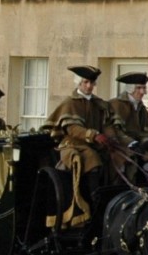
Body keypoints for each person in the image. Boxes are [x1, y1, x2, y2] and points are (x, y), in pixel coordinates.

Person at [45, 65, 116, 228]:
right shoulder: (70, 103)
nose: (90, 86)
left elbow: (107, 126)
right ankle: (91, 203)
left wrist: (111, 139)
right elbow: (72, 129)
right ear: (79, 83)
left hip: (95, 146)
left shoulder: (99, 104)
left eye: (92, 83)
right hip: (72, 145)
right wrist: (93, 135)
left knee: (115, 158)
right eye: (86, 82)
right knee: (92, 159)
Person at [110, 71, 148, 147]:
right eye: (138, 88)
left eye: (144, 88)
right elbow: (115, 130)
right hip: (120, 146)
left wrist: (147, 142)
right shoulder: (116, 104)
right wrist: (131, 143)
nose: (142, 92)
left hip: (139, 145)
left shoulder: (142, 109)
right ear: (130, 89)